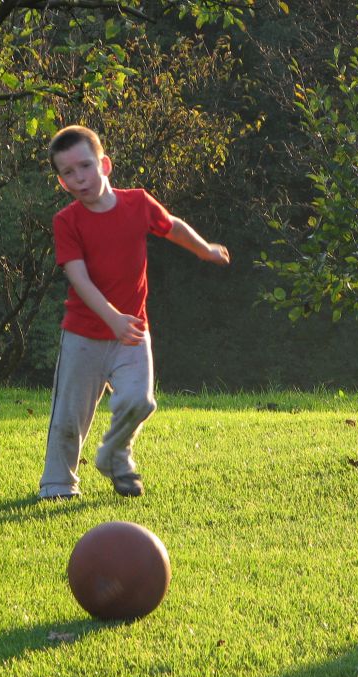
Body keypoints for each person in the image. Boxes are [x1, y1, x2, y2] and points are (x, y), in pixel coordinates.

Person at [38, 125, 231, 500]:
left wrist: (204, 249)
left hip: (132, 333)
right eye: (68, 173)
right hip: (84, 335)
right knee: (68, 420)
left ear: (104, 165)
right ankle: (58, 485)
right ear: (62, 183)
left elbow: (171, 226)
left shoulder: (138, 204)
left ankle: (114, 455)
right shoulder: (67, 221)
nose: (79, 178)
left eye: (85, 166)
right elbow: (78, 277)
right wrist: (111, 316)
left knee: (140, 402)